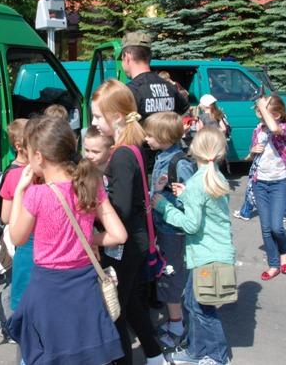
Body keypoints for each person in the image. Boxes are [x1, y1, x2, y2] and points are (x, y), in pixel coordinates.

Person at [6, 116, 127, 365]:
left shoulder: (36, 194)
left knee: (43, 353)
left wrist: (19, 192)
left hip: (48, 289)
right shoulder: (90, 183)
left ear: (38, 156)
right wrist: (88, 237)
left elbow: (17, 237)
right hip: (85, 287)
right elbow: (118, 235)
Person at [91, 79, 168, 365]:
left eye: (98, 116)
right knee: (131, 302)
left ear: (116, 117)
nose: (94, 122)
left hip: (125, 246)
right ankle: (154, 353)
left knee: (115, 313)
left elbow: (119, 208)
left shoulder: (122, 155)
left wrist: (96, 226)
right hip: (137, 241)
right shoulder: (131, 147)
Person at [152, 127, 235, 365]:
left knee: (201, 308)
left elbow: (190, 225)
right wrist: (186, 194)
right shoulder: (214, 175)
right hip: (213, 252)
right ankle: (196, 351)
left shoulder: (200, 182)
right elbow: (205, 207)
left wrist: (164, 207)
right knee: (192, 302)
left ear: (194, 149)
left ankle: (217, 356)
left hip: (206, 256)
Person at [144, 112, 195, 350]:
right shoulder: (165, 157)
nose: (146, 138)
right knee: (166, 275)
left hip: (173, 232)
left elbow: (190, 199)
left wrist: (164, 200)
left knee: (171, 277)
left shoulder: (179, 163)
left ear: (163, 136)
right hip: (164, 228)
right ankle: (176, 322)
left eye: (150, 134)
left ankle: (177, 327)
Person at [251, 95, 286, 281]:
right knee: (266, 227)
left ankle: (284, 252)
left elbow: (275, 128)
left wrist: (263, 106)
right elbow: (251, 154)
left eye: (263, 113)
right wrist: (252, 151)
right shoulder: (258, 129)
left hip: (277, 182)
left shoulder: (285, 128)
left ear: (276, 114)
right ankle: (273, 264)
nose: (259, 117)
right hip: (259, 182)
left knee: (277, 227)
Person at [0, 118, 28, 346]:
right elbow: (6, 217)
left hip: (22, 236)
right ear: (19, 145)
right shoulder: (19, 174)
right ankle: (10, 325)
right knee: (14, 283)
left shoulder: (18, 172)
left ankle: (14, 324)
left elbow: (6, 217)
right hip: (21, 238)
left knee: (18, 282)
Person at [121, 32, 189, 120]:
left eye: (122, 59)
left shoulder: (128, 91)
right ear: (149, 56)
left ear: (127, 56)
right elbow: (185, 110)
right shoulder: (170, 87)